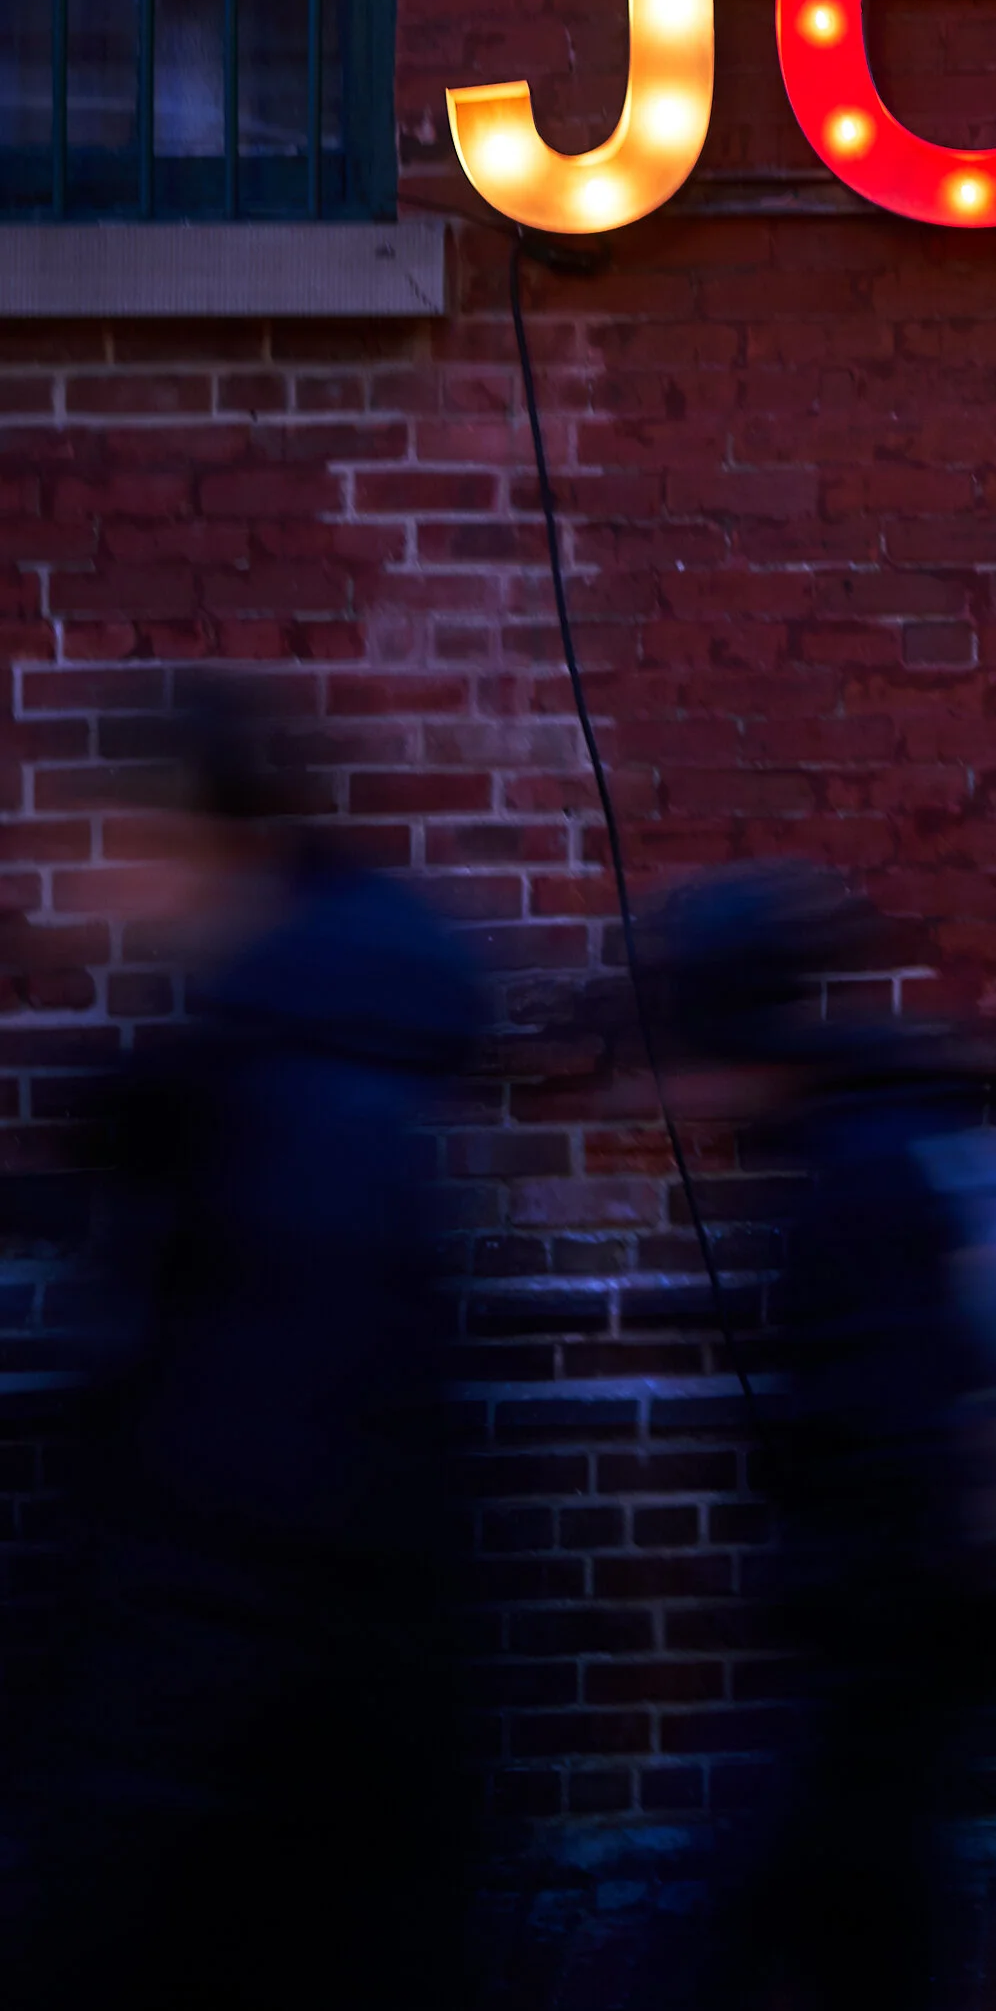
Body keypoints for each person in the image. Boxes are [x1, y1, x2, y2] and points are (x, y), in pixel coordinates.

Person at [15, 676, 483, 2011]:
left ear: (203, 847)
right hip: (298, 1789)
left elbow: (260, 1485)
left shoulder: (304, 1102)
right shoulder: (272, 1067)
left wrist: (123, 1801)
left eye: (89, 845)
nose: (58, 891)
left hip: (260, 1794)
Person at [638, 865, 996, 2011]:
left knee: (754, 1913)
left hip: (878, 1632)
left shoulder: (849, 1164)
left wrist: (843, 1601)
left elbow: (895, 1421)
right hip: (892, 1628)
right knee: (869, 1922)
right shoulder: (867, 1127)